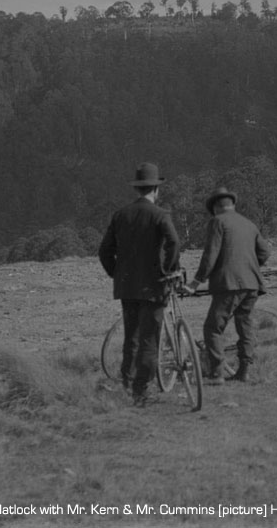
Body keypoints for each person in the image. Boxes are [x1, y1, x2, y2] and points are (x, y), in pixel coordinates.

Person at [98, 162, 180, 406]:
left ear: (137, 189)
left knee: (131, 338)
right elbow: (174, 242)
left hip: (127, 288)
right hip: (154, 287)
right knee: (149, 340)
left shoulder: (121, 215)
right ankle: (141, 391)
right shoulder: (160, 215)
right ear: (156, 189)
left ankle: (127, 383)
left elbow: (104, 251)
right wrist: (169, 270)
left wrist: (117, 274)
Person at [186, 186, 270, 385]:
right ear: (232, 205)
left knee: (213, 328)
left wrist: (195, 282)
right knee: (245, 325)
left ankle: (217, 373)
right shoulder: (249, 224)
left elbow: (210, 256)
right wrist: (248, 266)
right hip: (252, 285)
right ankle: (243, 371)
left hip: (229, 284)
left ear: (215, 207)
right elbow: (264, 252)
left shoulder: (217, 222)